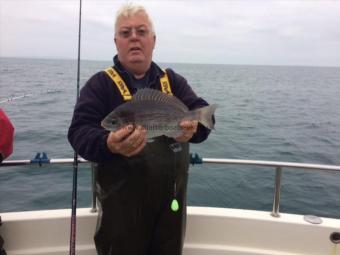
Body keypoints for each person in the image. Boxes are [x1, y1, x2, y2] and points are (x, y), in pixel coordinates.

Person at [68, 3, 214, 255]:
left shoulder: (173, 81)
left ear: (153, 40)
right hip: (121, 211)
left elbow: (202, 113)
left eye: (141, 31)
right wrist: (108, 143)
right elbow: (79, 131)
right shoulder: (100, 85)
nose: (134, 37)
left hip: (171, 207)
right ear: (116, 42)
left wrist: (195, 130)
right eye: (125, 33)